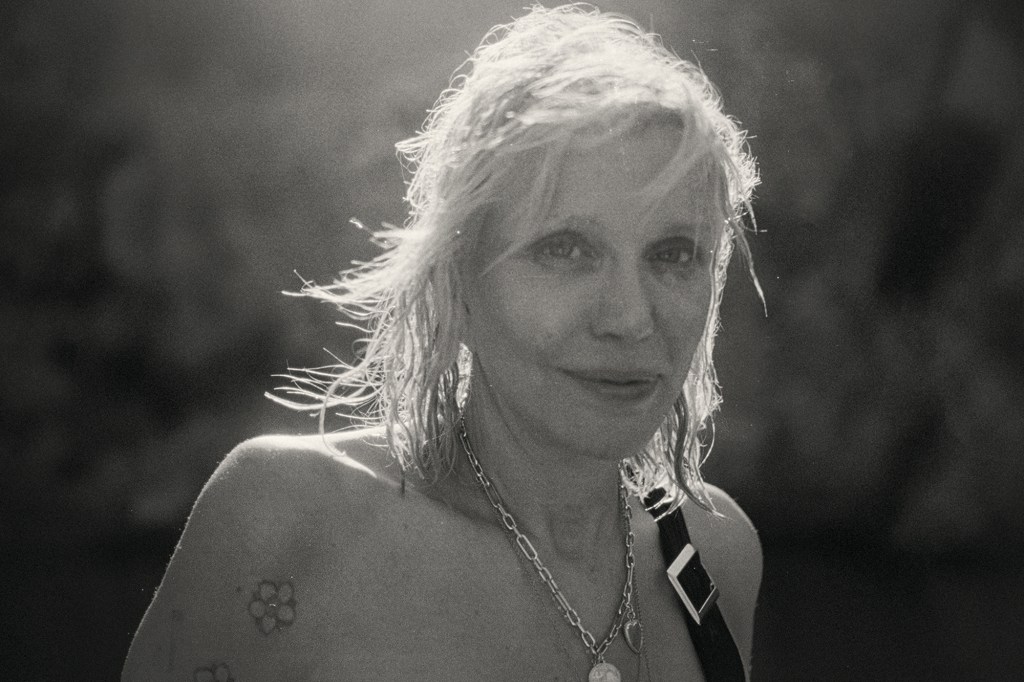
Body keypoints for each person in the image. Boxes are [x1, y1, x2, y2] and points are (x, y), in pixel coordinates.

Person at [123, 4, 762, 681]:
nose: (632, 318)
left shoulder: (711, 559)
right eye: (566, 249)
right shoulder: (284, 523)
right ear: (458, 276)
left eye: (673, 254)